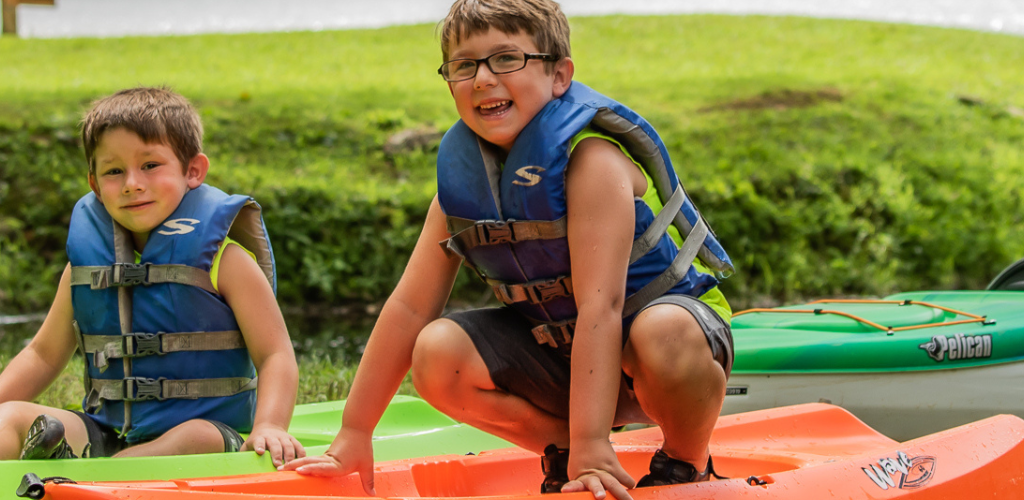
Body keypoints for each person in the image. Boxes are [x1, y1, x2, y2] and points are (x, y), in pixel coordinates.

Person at [284, 1, 734, 498]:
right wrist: (354, 432)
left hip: (664, 351)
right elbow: (410, 306)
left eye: (506, 59)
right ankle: (562, 450)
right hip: (561, 359)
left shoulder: (592, 163)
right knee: (437, 353)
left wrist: (594, 441)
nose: (482, 79)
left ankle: (685, 461)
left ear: (559, 75)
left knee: (664, 332)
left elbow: (600, 308)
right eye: (465, 65)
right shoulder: (461, 188)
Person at [0, 87, 304, 467]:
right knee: (7, 421)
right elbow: (42, 355)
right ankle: (95, 469)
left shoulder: (226, 261)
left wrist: (270, 425)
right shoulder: (86, 268)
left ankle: (92, 474)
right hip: (107, 433)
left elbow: (275, 354)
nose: (131, 183)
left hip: (211, 434)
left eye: (150, 166)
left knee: (191, 437)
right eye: (113, 171)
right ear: (94, 183)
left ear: (192, 171)